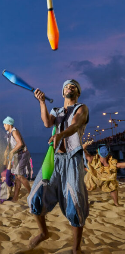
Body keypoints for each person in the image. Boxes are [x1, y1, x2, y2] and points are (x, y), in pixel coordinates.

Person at [27, 79, 89, 254]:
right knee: (35, 197)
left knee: (75, 200)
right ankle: (44, 233)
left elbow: (76, 125)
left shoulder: (81, 108)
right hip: (53, 159)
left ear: (77, 93)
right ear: (62, 93)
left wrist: (60, 134)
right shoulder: (57, 110)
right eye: (67, 86)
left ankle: (76, 249)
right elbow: (47, 123)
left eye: (74, 86)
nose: (70, 87)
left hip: (72, 159)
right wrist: (41, 102)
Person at [3, 116, 31, 202]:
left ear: (9, 124)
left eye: (4, 124)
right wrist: (7, 150)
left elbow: (20, 143)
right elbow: (11, 144)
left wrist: (11, 152)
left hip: (23, 154)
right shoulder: (9, 133)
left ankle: (32, 193)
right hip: (17, 155)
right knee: (16, 176)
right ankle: (15, 198)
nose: (4, 126)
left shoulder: (14, 131)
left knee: (19, 175)